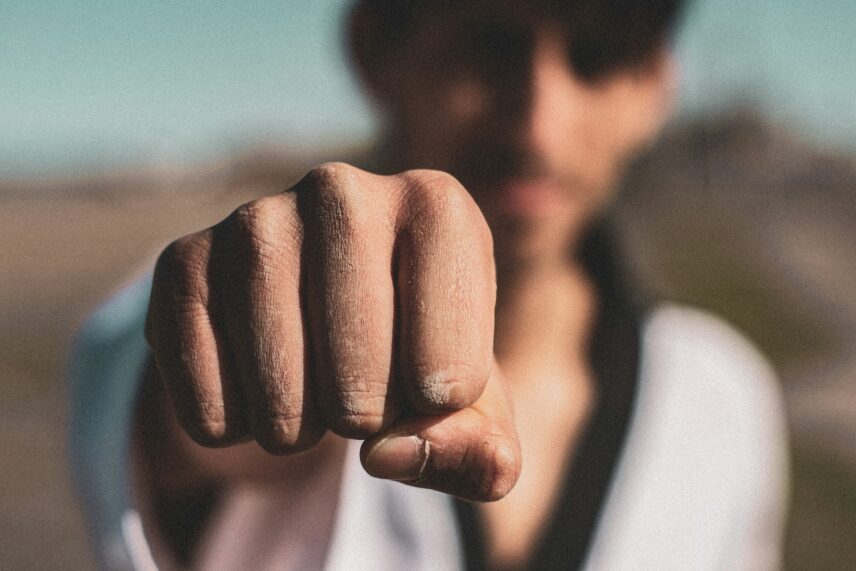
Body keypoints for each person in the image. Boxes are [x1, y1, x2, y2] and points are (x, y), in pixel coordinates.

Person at [69, 0, 790, 569]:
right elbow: (160, 399)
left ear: (653, 88)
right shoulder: (219, 308)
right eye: (491, 44)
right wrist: (249, 359)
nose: (538, 124)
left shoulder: (724, 399)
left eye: (594, 60)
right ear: (377, 48)